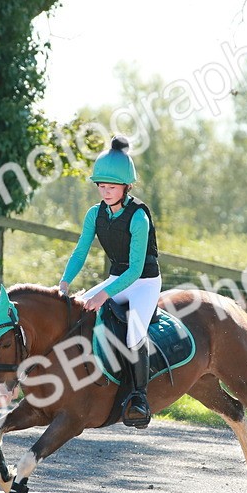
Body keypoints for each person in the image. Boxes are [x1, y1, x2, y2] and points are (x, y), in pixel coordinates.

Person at [58, 135, 161, 429]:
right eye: (101, 186)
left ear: (126, 187)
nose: (105, 191)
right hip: (118, 278)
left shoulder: (138, 217)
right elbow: (80, 251)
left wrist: (103, 295)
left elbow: (136, 270)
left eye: (111, 186)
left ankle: (139, 398)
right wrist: (65, 282)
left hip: (144, 282)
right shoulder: (95, 214)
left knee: (133, 334)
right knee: (77, 311)